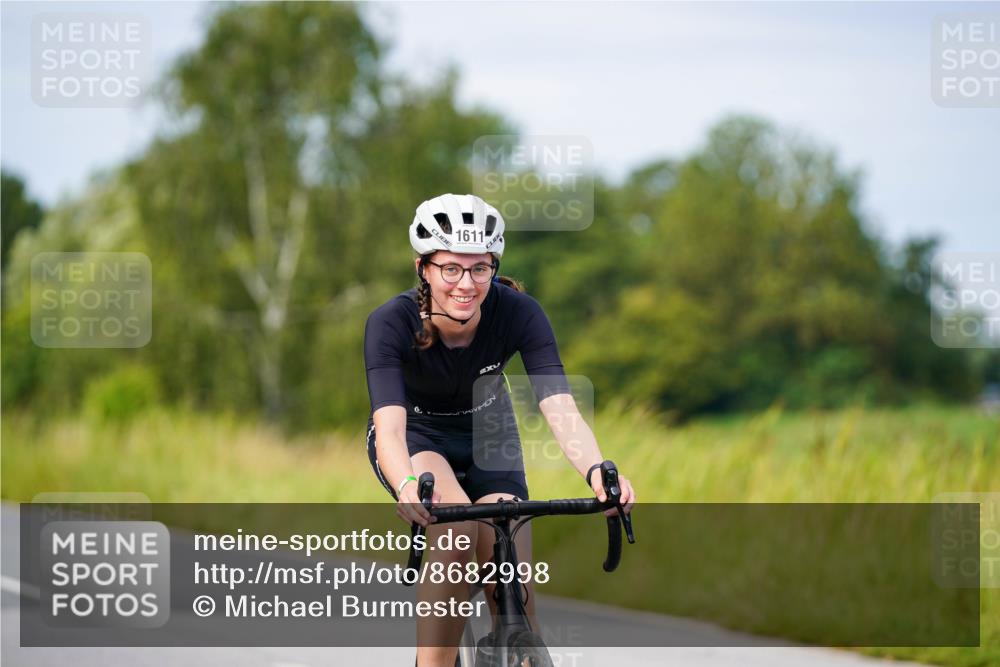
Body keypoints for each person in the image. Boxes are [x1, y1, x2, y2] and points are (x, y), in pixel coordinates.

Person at [363, 193, 635, 667]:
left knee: (511, 579)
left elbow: (560, 407)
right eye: (450, 268)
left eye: (479, 268)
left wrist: (596, 471)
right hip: (418, 439)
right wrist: (407, 484)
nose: (465, 284)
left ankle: (518, 650)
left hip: (490, 432)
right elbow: (389, 428)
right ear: (423, 268)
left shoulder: (519, 312)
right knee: (458, 532)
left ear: (494, 266)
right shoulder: (390, 322)